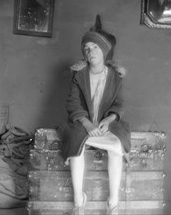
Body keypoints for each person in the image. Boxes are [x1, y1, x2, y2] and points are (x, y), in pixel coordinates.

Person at [61, 15, 131, 215]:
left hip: (105, 126)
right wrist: (86, 123)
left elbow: (119, 103)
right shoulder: (79, 75)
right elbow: (72, 103)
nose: (90, 51)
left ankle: (113, 203)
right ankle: (79, 202)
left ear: (104, 51)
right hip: (82, 124)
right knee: (77, 147)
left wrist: (108, 120)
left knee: (117, 147)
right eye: (87, 48)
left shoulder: (115, 77)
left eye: (95, 47)